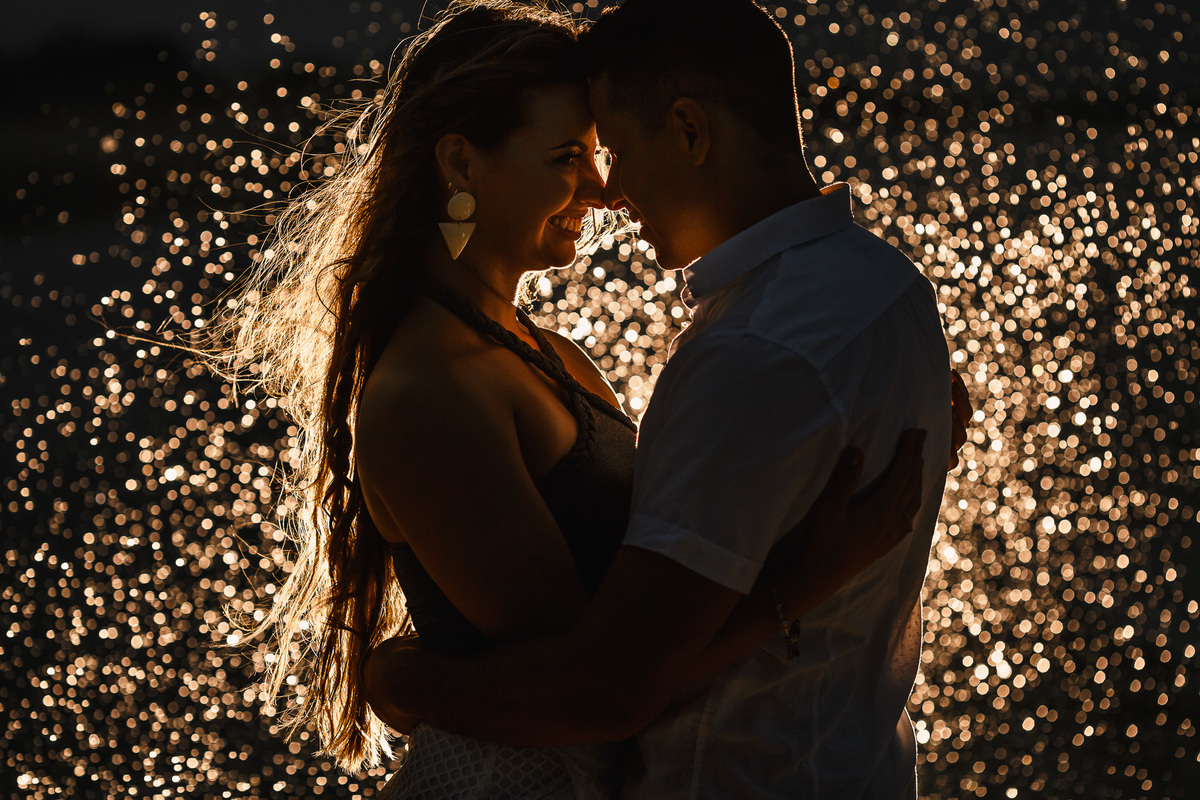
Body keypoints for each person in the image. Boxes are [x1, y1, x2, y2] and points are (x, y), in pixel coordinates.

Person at [218, 0, 939, 797]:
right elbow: (596, 681)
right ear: (460, 164)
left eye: (602, 151)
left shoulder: (552, 354)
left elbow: (634, 632)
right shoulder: (430, 387)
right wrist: (802, 581)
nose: (602, 190)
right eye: (569, 154)